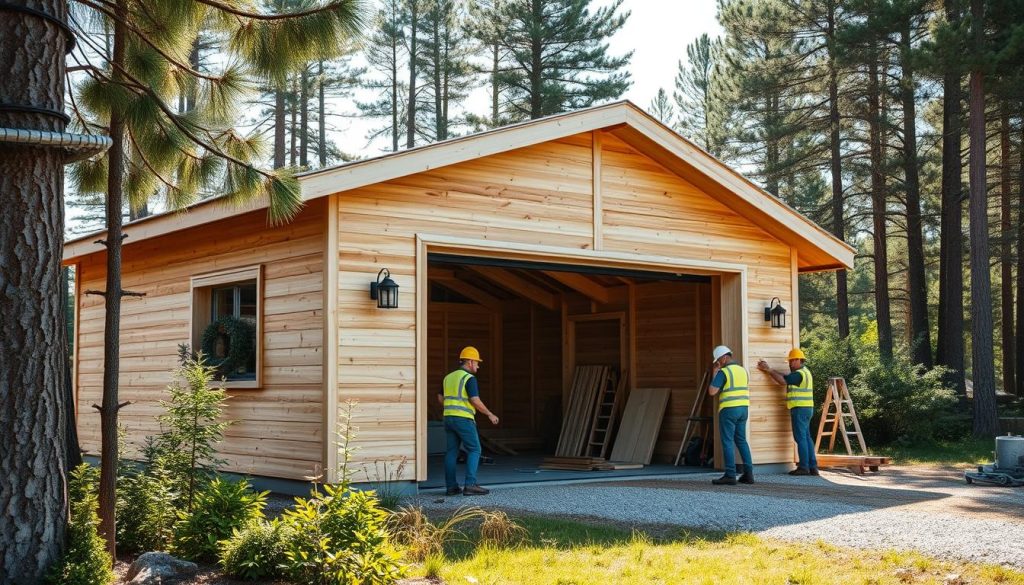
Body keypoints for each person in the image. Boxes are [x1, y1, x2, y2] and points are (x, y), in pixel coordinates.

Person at [436, 346, 500, 496]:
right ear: (470, 362)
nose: (478, 365)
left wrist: (451, 407)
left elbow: (440, 397)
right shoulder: (469, 378)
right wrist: (490, 414)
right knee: (475, 449)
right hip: (463, 419)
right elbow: (475, 400)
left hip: (449, 418)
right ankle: (470, 485)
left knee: (451, 452)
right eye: (477, 362)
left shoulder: (448, 377)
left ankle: (451, 487)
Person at [757, 348, 819, 476]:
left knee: (800, 438)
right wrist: (771, 370)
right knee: (807, 438)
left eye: (791, 361)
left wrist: (768, 370)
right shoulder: (805, 372)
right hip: (807, 408)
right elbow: (785, 376)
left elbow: (782, 381)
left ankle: (803, 467)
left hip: (799, 408)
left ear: (798, 360)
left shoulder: (798, 374)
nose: (790, 364)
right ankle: (813, 467)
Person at [707, 345, 754, 485]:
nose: (718, 363)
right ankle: (749, 474)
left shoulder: (724, 372)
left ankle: (730, 474)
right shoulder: (743, 370)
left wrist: (715, 372)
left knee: (727, 441)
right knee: (741, 440)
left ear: (724, 357)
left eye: (719, 360)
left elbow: (712, 391)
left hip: (729, 410)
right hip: (743, 409)